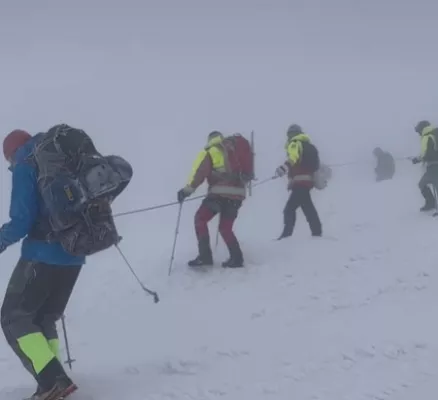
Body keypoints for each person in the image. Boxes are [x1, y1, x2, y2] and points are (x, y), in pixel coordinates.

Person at [0, 129, 82, 400]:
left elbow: (21, 221)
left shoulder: (26, 163)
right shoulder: (64, 161)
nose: (11, 168)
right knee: (43, 319)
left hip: (42, 255)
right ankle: (54, 380)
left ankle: (52, 381)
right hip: (74, 255)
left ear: (12, 153)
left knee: (14, 317)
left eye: (8, 162)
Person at [177, 131, 247, 268]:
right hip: (238, 195)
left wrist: (186, 191)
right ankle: (237, 258)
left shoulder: (211, 151)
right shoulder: (233, 149)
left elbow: (200, 173)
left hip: (219, 195)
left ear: (210, 139)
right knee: (225, 228)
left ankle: (205, 257)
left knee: (200, 219)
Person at [275, 124, 322, 239]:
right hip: (307, 181)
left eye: (289, 135)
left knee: (289, 209)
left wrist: (283, 168)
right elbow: (315, 166)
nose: (288, 137)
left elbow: (293, 158)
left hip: (299, 182)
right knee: (307, 207)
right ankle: (317, 232)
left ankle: (286, 236)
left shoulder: (295, 143)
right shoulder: (308, 146)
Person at [412, 120, 438, 211]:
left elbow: (427, 154)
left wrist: (418, 159)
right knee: (429, 184)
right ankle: (431, 203)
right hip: (434, 166)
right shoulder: (435, 134)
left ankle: (431, 203)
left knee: (423, 184)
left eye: (418, 131)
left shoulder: (427, 136)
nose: (419, 134)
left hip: (434, 166)